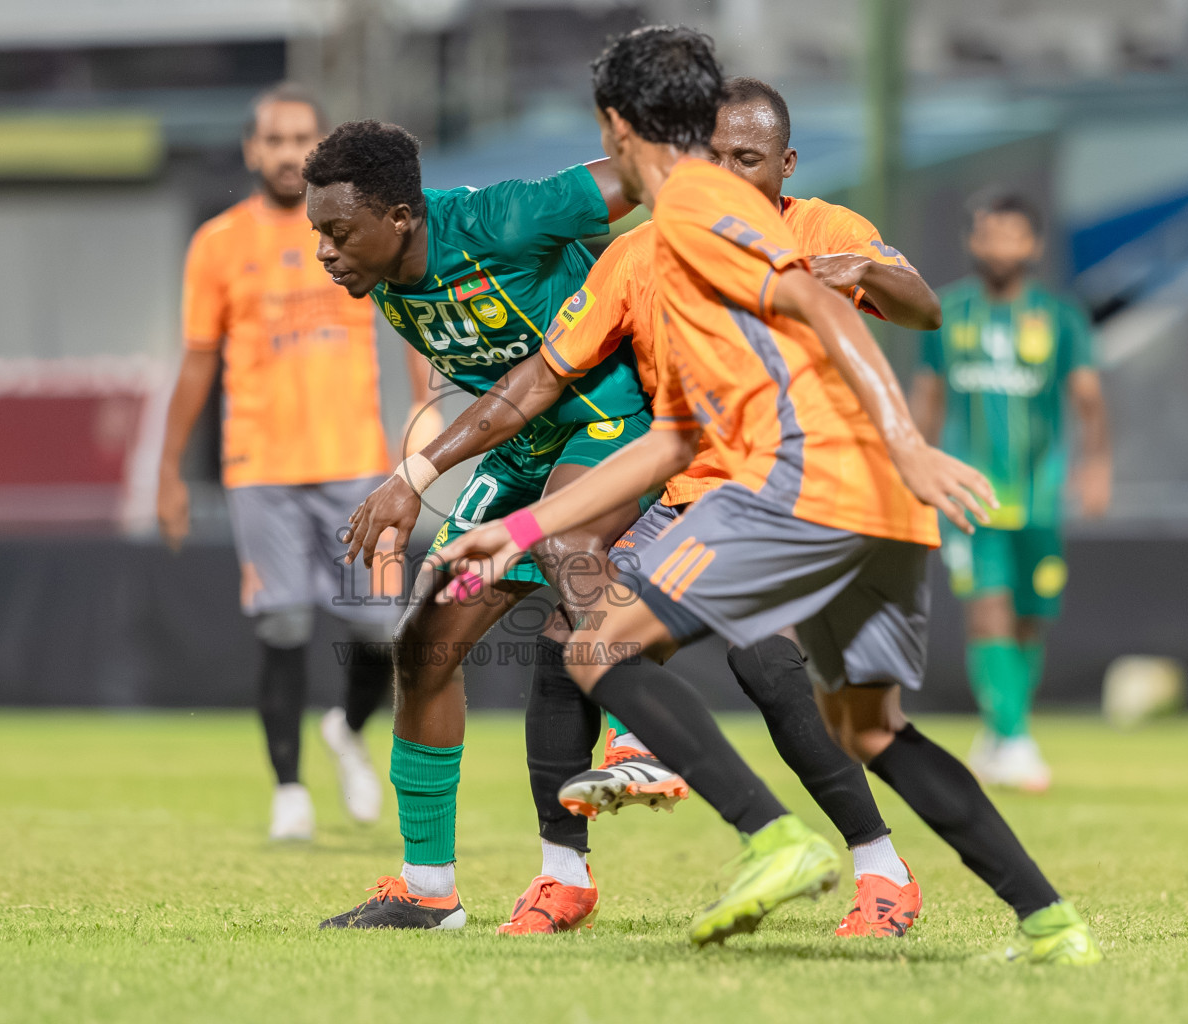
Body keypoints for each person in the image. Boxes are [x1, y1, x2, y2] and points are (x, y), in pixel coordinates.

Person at [435, 25, 1103, 965]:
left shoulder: (695, 207)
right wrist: (526, 525)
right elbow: (674, 437)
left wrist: (909, 441)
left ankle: (770, 835)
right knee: (869, 727)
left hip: (796, 482)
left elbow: (826, 305)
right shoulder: (658, 248)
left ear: (617, 125)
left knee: (599, 644)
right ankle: (1047, 922)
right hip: (867, 500)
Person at [357, 75, 941, 938]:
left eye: (748, 158)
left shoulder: (822, 232)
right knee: (562, 641)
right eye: (712, 157)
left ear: (785, 165)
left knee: (763, 662)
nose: (727, 174)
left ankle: (880, 870)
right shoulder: (645, 252)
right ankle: (558, 875)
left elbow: (921, 309)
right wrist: (419, 471)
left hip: (791, 495)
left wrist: (865, 271)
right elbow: (545, 376)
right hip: (675, 487)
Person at [304, 120, 653, 931]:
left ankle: (642, 739)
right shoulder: (382, 274)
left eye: (338, 232)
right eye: (318, 232)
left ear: (400, 217)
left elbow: (641, 176)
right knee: (423, 646)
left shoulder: (504, 218)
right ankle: (428, 890)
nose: (324, 251)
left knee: (566, 550)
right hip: (522, 449)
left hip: (611, 422)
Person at [157, 84, 428, 842]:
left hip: (357, 464)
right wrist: (168, 470)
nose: (286, 153)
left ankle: (347, 728)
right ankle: (288, 791)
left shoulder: (355, 227)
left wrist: (423, 409)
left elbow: (411, 315)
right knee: (280, 625)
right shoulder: (218, 244)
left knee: (381, 630)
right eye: (273, 139)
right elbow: (197, 361)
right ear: (251, 149)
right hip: (261, 468)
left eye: (300, 138)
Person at [909, 190, 1112, 791]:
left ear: (1035, 244)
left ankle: (1002, 731)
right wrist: (913, 465)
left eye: (1013, 235)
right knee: (988, 607)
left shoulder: (1061, 316)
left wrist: (1097, 467)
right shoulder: (946, 312)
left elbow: (1088, 398)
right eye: (989, 234)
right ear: (972, 241)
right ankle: (1015, 737)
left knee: (1030, 615)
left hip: (1041, 491)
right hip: (970, 490)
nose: (1000, 246)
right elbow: (928, 396)